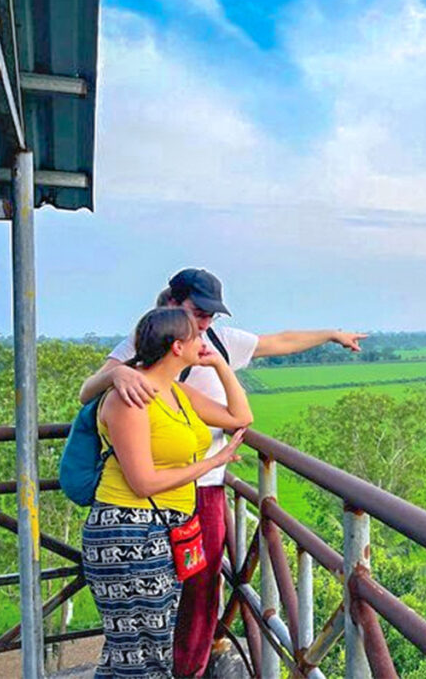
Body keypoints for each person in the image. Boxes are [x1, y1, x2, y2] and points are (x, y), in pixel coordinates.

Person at [79, 268, 367, 677]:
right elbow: (88, 392)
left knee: (199, 589)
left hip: (201, 492)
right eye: (199, 313)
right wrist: (116, 372)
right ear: (174, 304)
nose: (207, 324)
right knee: (141, 629)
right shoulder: (140, 351)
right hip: (140, 511)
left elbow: (277, 344)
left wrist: (331, 334)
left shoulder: (207, 354)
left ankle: (189, 669)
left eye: (213, 316)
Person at [82, 306, 253, 679]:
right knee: (142, 654)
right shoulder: (131, 397)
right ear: (177, 346)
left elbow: (241, 417)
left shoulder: (176, 391)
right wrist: (213, 462)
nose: (204, 341)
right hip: (128, 532)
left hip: (162, 531)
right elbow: (142, 482)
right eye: (196, 336)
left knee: (138, 650)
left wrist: (221, 367)